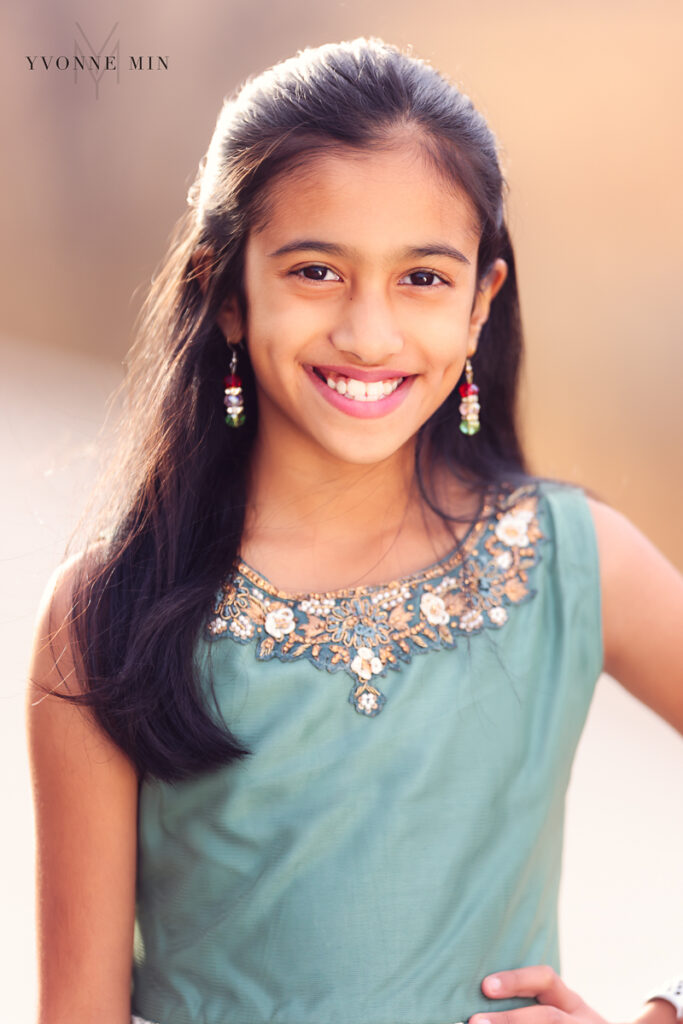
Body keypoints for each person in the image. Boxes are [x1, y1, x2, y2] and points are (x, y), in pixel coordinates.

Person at [27, 36, 682, 1024]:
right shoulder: (110, 614)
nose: (368, 333)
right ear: (225, 291)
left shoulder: (569, 562)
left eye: (421, 278)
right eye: (316, 271)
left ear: (478, 303)